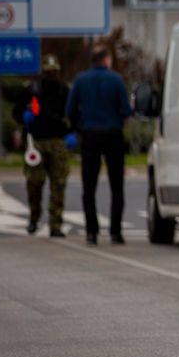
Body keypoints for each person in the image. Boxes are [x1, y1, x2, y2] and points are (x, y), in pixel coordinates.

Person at [66, 47, 133, 245]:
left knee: (89, 187)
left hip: (90, 136)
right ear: (106, 60)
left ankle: (91, 232)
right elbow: (126, 109)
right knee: (116, 186)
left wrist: (79, 127)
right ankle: (115, 232)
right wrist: (119, 121)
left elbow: (70, 109)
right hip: (113, 135)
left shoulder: (80, 80)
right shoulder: (116, 80)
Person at [12, 55, 73, 237]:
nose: (51, 76)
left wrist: (72, 133)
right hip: (35, 141)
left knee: (58, 184)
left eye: (54, 72)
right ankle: (34, 218)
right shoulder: (31, 90)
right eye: (48, 72)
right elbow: (17, 112)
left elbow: (73, 113)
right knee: (34, 183)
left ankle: (56, 224)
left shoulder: (64, 91)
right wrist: (24, 117)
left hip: (58, 140)